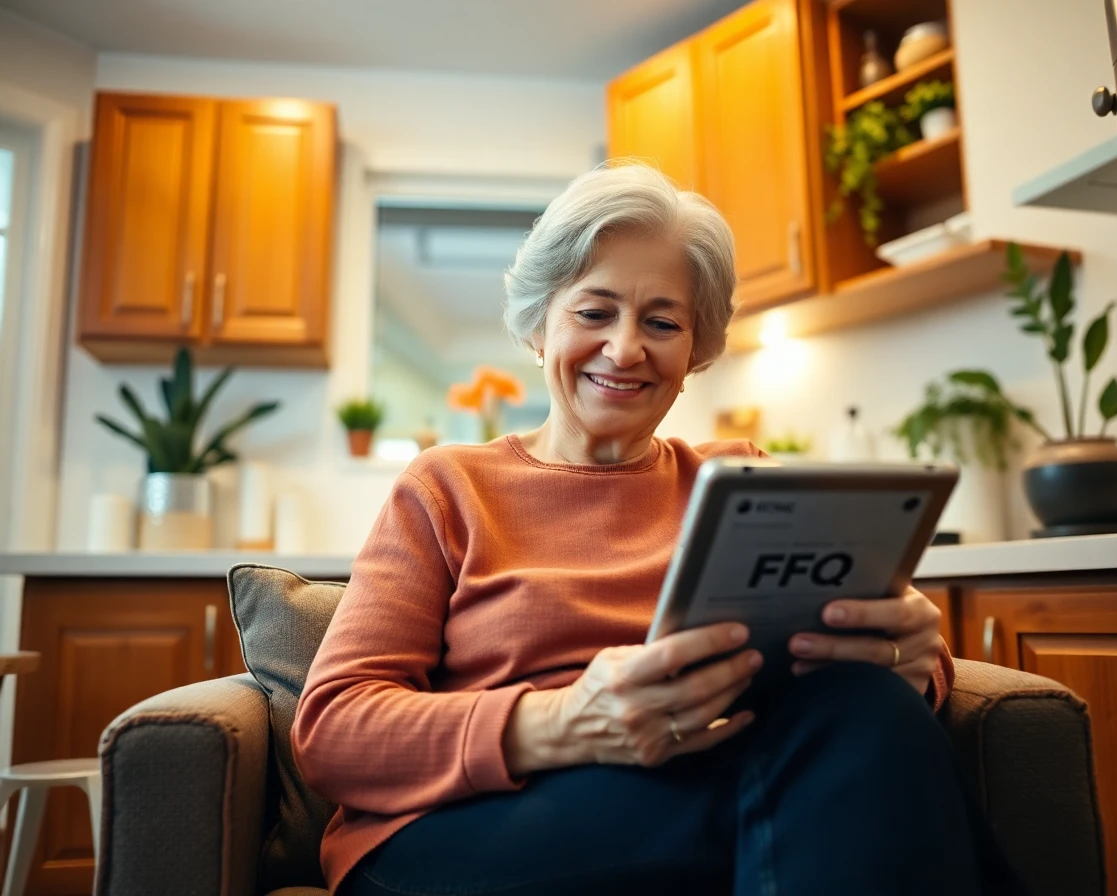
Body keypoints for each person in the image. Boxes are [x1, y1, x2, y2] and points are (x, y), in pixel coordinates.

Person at [293, 163, 1003, 895]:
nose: (626, 349)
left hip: (714, 784)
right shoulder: (448, 486)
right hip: (469, 825)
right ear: (540, 326)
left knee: (869, 715)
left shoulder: (745, 481)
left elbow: (888, 681)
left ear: (693, 353)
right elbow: (333, 733)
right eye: (594, 313)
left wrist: (917, 661)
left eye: (661, 322)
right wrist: (564, 721)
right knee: (840, 795)